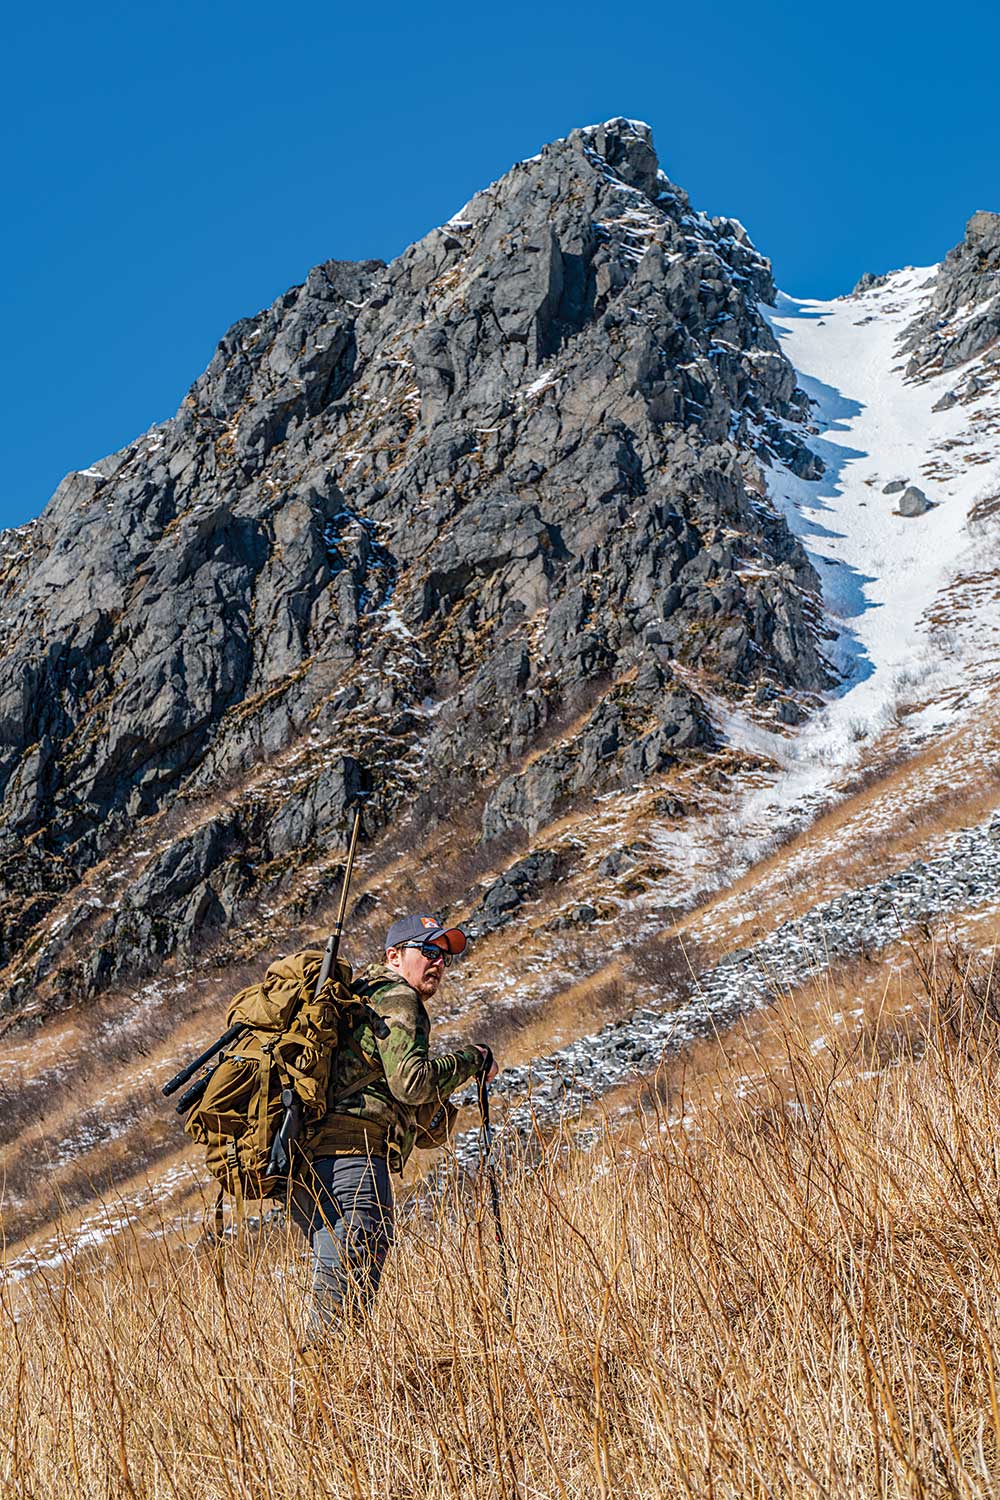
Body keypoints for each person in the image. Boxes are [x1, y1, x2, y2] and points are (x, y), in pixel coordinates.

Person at [291, 914, 498, 1337]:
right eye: (428, 950)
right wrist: (473, 1059)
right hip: (353, 1159)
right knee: (348, 1283)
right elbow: (412, 1082)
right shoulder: (399, 998)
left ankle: (327, 1384)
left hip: (314, 1163)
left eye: (444, 955)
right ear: (394, 955)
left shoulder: (363, 998)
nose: (438, 962)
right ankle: (325, 1387)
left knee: (343, 1278)